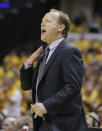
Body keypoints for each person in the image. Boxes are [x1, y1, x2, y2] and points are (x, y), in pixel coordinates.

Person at [20, 9, 88, 131]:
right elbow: (27, 86)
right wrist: (28, 64)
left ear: (60, 27)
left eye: (48, 21)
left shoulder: (69, 51)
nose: (42, 24)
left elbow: (73, 86)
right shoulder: (43, 53)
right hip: (42, 122)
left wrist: (47, 105)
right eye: (41, 21)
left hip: (64, 124)